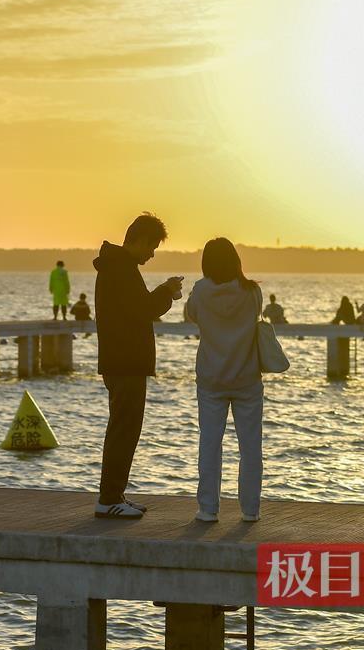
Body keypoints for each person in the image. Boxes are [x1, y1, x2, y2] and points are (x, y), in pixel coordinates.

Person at [92, 213, 182, 519]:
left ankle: (114, 494)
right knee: (123, 430)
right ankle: (109, 498)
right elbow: (144, 309)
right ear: (140, 240)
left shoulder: (117, 266)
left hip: (119, 360)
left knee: (125, 429)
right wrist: (167, 292)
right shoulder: (120, 268)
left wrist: (161, 294)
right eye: (152, 246)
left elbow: (137, 308)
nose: (152, 253)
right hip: (125, 362)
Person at [185, 238, 264, 523]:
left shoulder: (201, 291)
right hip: (246, 377)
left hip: (211, 378)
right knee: (251, 446)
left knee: (209, 444)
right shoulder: (252, 291)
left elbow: (191, 314)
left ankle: (208, 508)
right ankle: (250, 510)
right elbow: (256, 315)